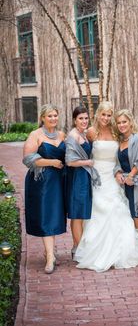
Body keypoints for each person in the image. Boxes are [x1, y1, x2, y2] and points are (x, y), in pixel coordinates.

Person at [73, 101, 138, 272]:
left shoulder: (116, 132)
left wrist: (119, 173)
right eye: (103, 114)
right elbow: (76, 141)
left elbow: (120, 157)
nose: (106, 118)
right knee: (99, 210)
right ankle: (95, 250)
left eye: (109, 115)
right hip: (97, 176)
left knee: (118, 209)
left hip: (114, 176)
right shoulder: (91, 132)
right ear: (98, 114)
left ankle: (122, 251)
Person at [23, 104, 66, 274]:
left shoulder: (62, 134)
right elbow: (27, 159)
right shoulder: (36, 135)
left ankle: (50, 252)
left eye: (55, 115)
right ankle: (50, 257)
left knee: (55, 216)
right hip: (41, 182)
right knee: (47, 217)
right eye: (49, 116)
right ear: (42, 118)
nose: (53, 119)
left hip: (59, 181)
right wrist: (51, 162)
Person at [65, 105, 100, 259]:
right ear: (74, 120)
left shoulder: (83, 134)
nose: (84, 121)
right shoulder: (73, 136)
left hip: (84, 177)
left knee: (81, 213)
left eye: (86, 118)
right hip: (77, 178)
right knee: (77, 215)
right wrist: (88, 163)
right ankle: (78, 249)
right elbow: (69, 161)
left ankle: (76, 247)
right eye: (81, 118)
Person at [114, 109, 138, 238]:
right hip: (124, 182)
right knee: (129, 215)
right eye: (119, 123)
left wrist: (131, 175)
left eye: (124, 122)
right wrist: (118, 172)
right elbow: (117, 161)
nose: (122, 125)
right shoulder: (120, 141)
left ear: (130, 122)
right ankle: (133, 245)